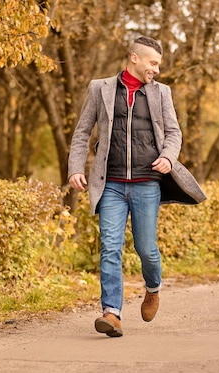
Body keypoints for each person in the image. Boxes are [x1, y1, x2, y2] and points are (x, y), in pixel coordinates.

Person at [68, 36, 206, 337]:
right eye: (152, 63)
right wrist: (75, 169)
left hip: (147, 184)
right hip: (111, 184)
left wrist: (169, 157)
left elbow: (174, 133)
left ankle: (153, 288)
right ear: (134, 59)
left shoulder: (161, 93)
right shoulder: (99, 88)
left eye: (158, 64)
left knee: (146, 249)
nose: (155, 69)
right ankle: (112, 313)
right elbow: (81, 133)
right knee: (110, 248)